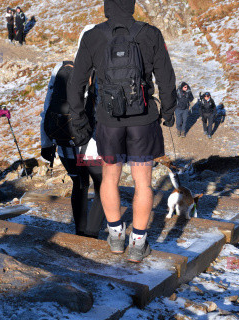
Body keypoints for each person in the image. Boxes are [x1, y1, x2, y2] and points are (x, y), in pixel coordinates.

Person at [68, 0, 177, 263]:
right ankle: (138, 244)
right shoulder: (150, 34)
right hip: (143, 119)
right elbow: (166, 77)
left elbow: (77, 80)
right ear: (132, 5)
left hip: (108, 120)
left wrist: (78, 115)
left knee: (109, 178)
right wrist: (169, 111)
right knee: (143, 182)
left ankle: (116, 237)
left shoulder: (94, 36)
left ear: (107, 6)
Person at [40, 25, 105, 239]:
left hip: (64, 141)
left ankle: (80, 231)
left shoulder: (61, 67)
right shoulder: (100, 71)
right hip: (89, 141)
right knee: (102, 184)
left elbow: (47, 107)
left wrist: (46, 143)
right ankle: (92, 234)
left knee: (79, 183)